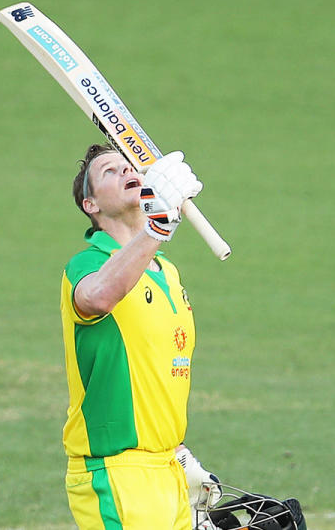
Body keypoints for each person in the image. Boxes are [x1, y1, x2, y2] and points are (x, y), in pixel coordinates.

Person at [60, 144, 218, 529]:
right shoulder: (88, 265)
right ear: (90, 205)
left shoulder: (167, 271)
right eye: (109, 172)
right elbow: (96, 298)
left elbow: (157, 374)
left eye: (128, 165)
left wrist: (180, 456)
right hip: (117, 471)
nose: (125, 170)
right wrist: (156, 229)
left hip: (168, 469)